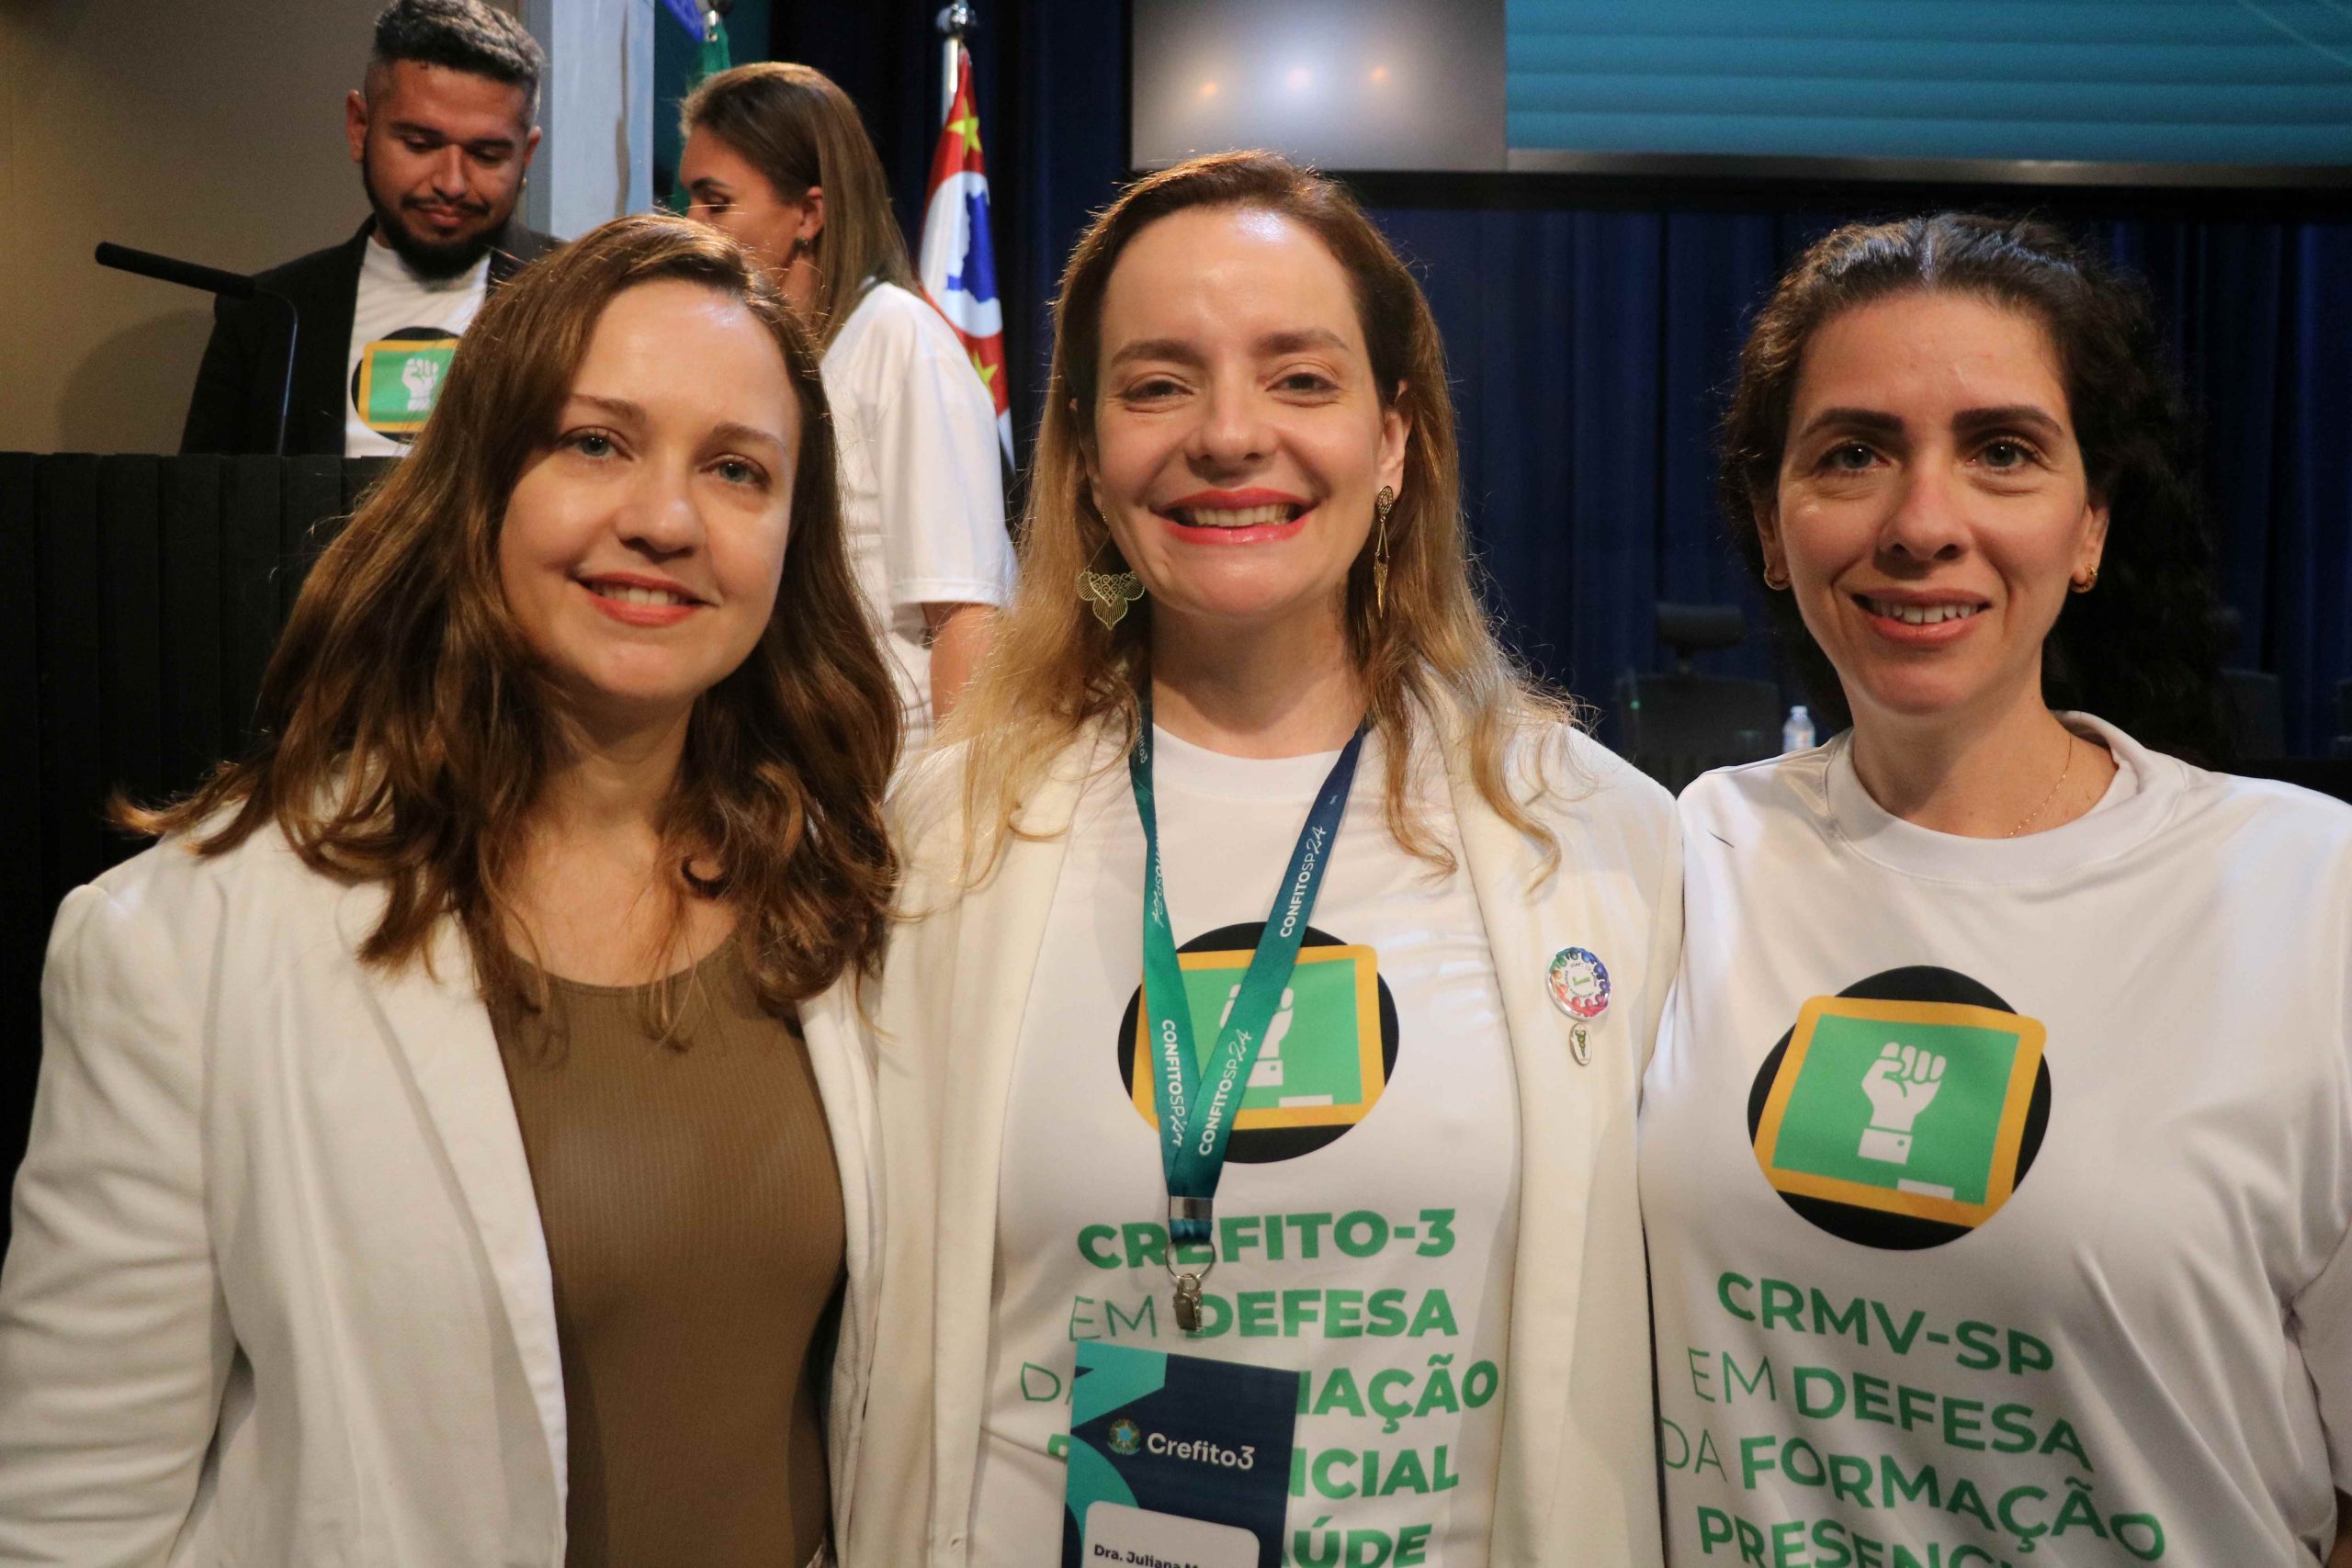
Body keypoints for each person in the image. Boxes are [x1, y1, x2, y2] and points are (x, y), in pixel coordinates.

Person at [0, 215, 899, 1567]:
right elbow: (76, 1517)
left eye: (736, 468)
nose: (663, 519)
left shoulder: (861, 895)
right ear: (476, 480)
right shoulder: (183, 945)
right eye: (594, 441)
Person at [850, 150, 1681, 1568]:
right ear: (1087, 456)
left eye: (1300, 378)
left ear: (1397, 438)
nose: (1230, 435)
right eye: (1158, 382)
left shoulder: (1599, 837)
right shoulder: (935, 836)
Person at [1640, 214, 2352, 1563]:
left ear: (2088, 525)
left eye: (2002, 451)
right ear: (1770, 525)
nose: (1923, 522)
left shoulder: (2311, 896)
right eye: (1852, 453)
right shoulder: (1683, 861)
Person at [679, 61, 1012, 739]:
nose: (690, 224)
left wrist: (954, 829)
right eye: (687, 199)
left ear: (808, 213)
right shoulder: (760, 358)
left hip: (892, 801)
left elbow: (967, 616)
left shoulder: (898, 338)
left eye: (715, 203)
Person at [180, 0, 560, 457]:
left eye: (487, 155)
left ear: (527, 155)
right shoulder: (265, 316)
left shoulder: (582, 299)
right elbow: (205, 512)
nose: (452, 183)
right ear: (360, 127)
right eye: (420, 145)